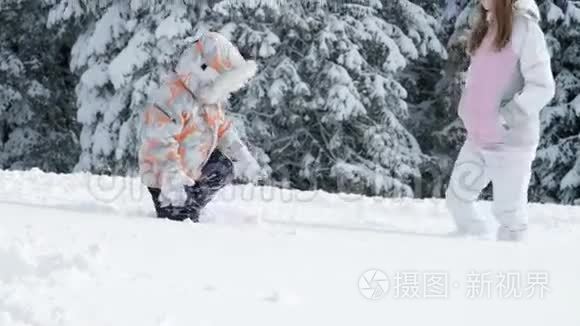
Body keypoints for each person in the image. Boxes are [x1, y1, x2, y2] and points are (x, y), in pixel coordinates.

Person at [446, 0, 555, 241]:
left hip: (511, 141)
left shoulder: (526, 29)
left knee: (510, 215)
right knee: (457, 200)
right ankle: (469, 250)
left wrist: (506, 118)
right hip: (479, 137)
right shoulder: (486, 27)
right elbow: (477, 77)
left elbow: (543, 87)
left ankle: (510, 264)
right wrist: (467, 109)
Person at [139, 32, 261, 222]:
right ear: (202, 71)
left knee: (223, 166)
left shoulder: (208, 100)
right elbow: (159, 143)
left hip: (192, 169)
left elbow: (222, 128)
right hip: (165, 176)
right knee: (178, 218)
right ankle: (177, 210)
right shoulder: (171, 98)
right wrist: (172, 180)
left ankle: (191, 205)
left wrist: (241, 153)